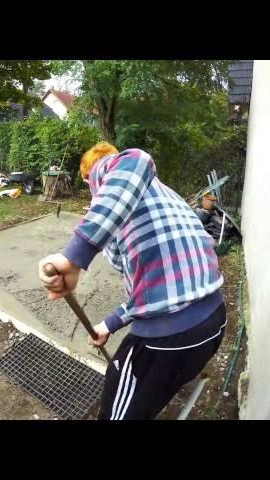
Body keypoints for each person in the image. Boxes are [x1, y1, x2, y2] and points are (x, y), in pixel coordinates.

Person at [38, 142, 226, 420]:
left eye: (88, 182)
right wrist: (109, 325)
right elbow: (152, 288)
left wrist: (73, 257)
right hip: (213, 323)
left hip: (166, 341)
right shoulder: (166, 197)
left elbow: (136, 159)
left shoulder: (110, 169)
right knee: (151, 397)